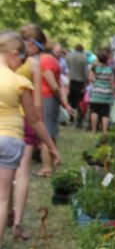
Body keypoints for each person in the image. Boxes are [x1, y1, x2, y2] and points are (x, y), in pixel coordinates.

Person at [0, 31, 60, 249]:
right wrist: (51, 146)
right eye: (21, 60)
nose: (21, 65)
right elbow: (34, 120)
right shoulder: (18, 81)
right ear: (14, 54)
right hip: (10, 140)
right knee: (3, 198)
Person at [36, 37, 72, 177]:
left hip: (46, 98)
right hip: (50, 98)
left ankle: (47, 167)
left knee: (46, 133)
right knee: (50, 131)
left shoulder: (44, 61)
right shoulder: (52, 60)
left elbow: (53, 84)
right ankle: (52, 162)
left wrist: (60, 99)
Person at [88, 48, 115, 134]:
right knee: (105, 113)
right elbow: (112, 83)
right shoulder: (110, 69)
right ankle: (104, 131)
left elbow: (90, 78)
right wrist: (114, 92)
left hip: (96, 92)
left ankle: (93, 130)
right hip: (106, 93)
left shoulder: (95, 68)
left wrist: (95, 81)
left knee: (94, 111)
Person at [66, 44, 88, 127]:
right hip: (80, 82)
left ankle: (70, 118)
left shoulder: (68, 56)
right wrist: (85, 84)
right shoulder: (84, 58)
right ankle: (79, 120)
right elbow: (86, 73)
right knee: (80, 102)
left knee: (70, 101)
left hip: (70, 81)